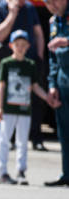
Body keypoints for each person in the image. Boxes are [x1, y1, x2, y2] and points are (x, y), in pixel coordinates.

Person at [0, 30, 54, 185]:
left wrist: (47, 97)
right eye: (17, 45)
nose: (20, 48)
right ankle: (2, 172)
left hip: (24, 109)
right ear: (11, 46)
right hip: (8, 109)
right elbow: (1, 86)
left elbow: (35, 86)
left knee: (22, 141)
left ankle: (21, 170)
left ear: (28, 46)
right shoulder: (6, 63)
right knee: (4, 140)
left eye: (23, 45)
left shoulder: (30, 65)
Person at [0, 0, 47, 151]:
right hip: (10, 63)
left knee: (34, 101)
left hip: (28, 62)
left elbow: (38, 33)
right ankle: (6, 140)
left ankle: (36, 139)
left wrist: (39, 57)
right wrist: (12, 13)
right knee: (7, 100)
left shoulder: (29, 7)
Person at [44, 0, 69, 186]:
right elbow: (53, 58)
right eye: (47, 3)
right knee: (64, 130)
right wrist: (52, 85)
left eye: (55, 1)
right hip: (62, 80)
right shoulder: (53, 22)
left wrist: (66, 41)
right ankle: (66, 174)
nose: (53, 6)